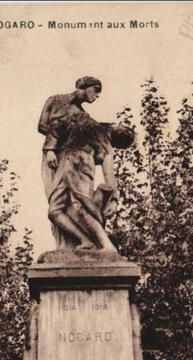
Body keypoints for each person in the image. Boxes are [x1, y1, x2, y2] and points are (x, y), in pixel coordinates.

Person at [38, 76, 135, 251]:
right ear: (85, 86)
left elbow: (108, 169)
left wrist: (113, 198)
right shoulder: (74, 113)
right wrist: (51, 150)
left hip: (79, 166)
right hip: (61, 161)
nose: (97, 96)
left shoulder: (92, 125)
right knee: (55, 211)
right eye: (96, 91)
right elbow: (50, 128)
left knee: (80, 206)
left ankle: (106, 246)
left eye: (120, 130)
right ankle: (85, 241)